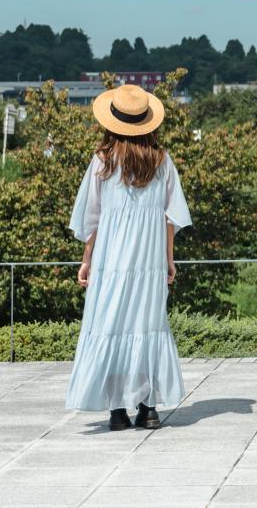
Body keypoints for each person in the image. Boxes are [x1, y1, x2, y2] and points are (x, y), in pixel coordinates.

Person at [65, 83, 193, 430]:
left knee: (112, 325)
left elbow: (91, 220)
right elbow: (172, 218)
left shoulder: (102, 162)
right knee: (147, 326)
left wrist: (87, 260)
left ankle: (117, 410)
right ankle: (148, 407)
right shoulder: (162, 162)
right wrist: (169, 258)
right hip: (149, 263)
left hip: (112, 263)